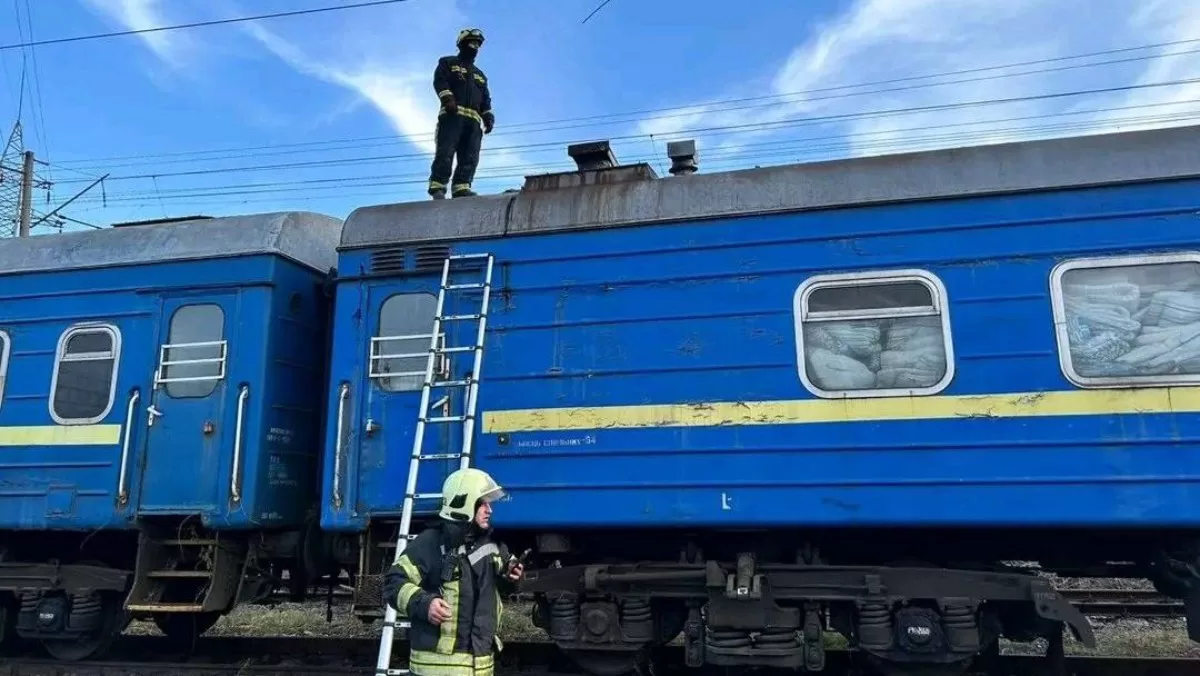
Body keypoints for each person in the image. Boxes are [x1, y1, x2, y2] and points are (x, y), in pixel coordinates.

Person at [383, 468, 524, 676]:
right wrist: (425, 604)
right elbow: (393, 583)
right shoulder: (430, 543)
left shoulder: (493, 547)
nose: (489, 510)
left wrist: (514, 577)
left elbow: (502, 586)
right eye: (483, 503)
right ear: (465, 503)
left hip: (481, 668)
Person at [427, 28, 495, 200]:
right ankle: (438, 186)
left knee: (470, 155)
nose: (474, 47)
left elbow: (485, 98)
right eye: (471, 43)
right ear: (462, 44)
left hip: (473, 122)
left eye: (477, 44)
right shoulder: (448, 63)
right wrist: (447, 98)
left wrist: (488, 115)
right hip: (452, 116)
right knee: (446, 151)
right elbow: (440, 81)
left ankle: (461, 187)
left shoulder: (480, 75)